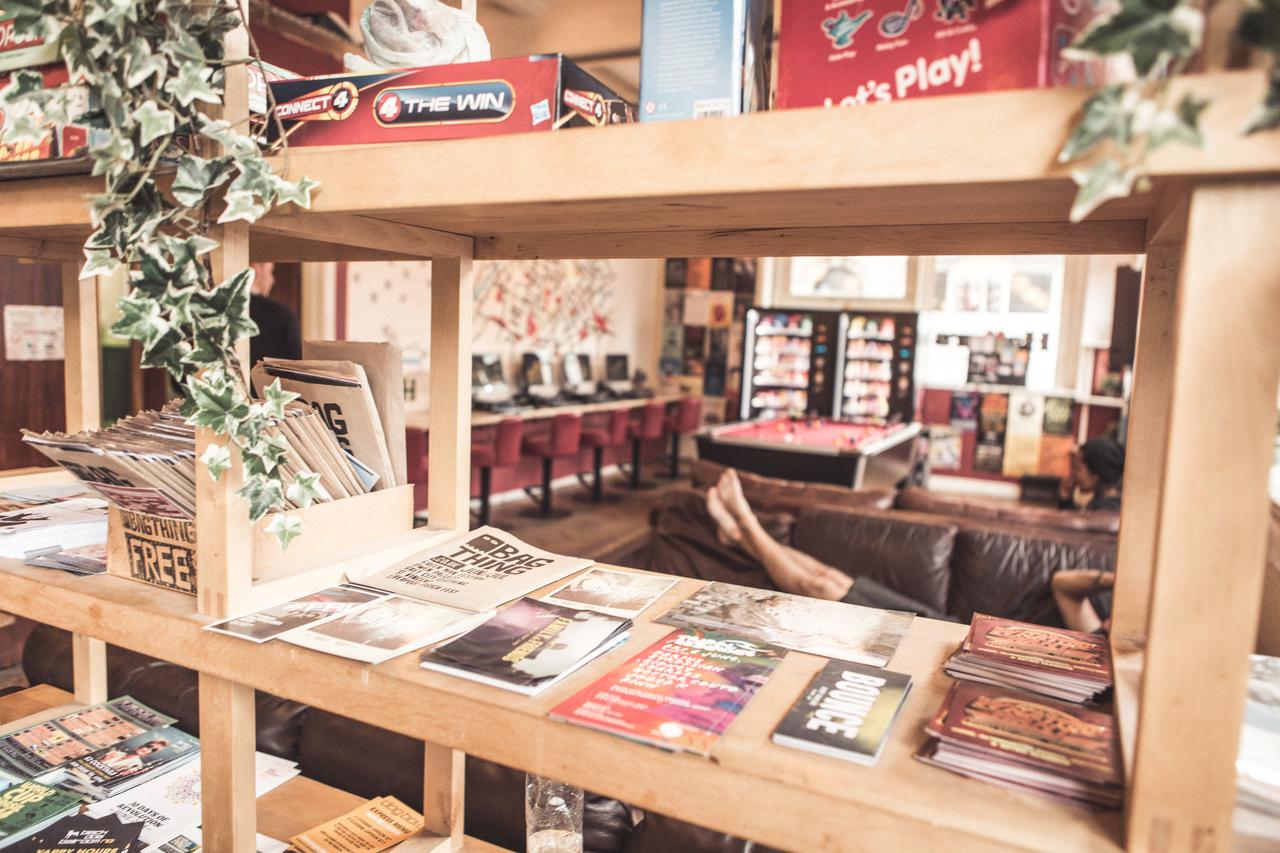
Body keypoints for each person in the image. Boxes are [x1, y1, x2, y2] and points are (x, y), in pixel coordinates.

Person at [703, 468, 950, 620]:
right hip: (940, 622)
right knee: (832, 577)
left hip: (925, 638)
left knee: (821, 587)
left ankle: (745, 522)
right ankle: (738, 536)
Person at [249, 262, 302, 366]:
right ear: (255, 269)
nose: (272, 280)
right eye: (270, 271)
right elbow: (297, 367)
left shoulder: (220, 310)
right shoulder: (282, 315)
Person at [1057, 437, 1125, 512]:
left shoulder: (1102, 511)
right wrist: (1065, 500)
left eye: (1077, 468)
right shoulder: (1114, 504)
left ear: (1095, 476)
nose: (1072, 474)